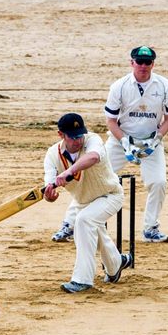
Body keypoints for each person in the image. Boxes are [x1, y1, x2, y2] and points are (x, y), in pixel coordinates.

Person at [52, 46, 168, 245]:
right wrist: (126, 142)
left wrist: (155, 140)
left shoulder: (165, 86)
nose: (143, 66)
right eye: (139, 62)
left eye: (147, 62)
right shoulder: (119, 86)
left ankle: (151, 228)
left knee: (159, 182)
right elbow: (111, 121)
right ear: (132, 62)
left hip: (150, 142)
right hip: (119, 142)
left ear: (153, 64)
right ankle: (69, 225)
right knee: (89, 180)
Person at [43, 113, 130, 293]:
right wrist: (50, 195)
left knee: (84, 221)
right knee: (93, 228)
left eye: (79, 135)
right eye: (72, 137)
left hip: (110, 194)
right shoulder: (52, 155)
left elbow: (93, 158)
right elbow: (49, 188)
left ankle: (82, 280)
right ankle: (116, 264)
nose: (77, 141)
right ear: (61, 135)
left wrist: (68, 172)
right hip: (84, 201)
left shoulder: (93, 140)